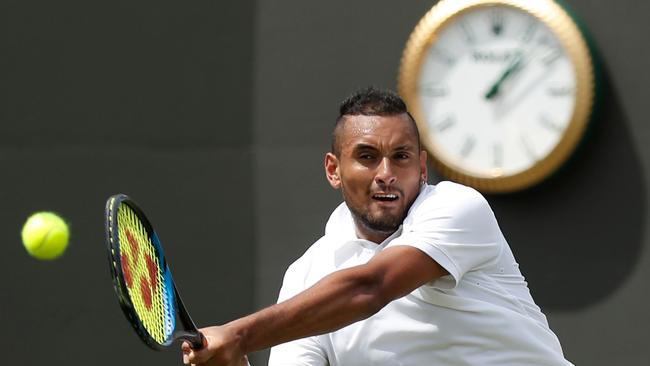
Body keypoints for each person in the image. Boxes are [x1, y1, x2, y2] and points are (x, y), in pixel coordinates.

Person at [182, 87, 573, 365]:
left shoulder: (458, 208)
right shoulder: (305, 277)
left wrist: (238, 335)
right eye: (367, 157)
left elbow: (371, 287)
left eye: (400, 157)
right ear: (333, 170)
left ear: (421, 168)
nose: (386, 174)